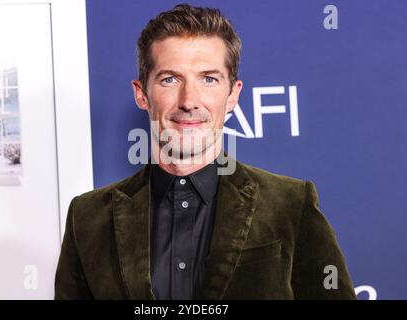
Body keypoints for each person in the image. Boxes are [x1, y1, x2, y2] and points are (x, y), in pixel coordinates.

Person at [55, 3, 356, 300]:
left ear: (233, 95)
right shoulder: (89, 218)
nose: (189, 100)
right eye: (170, 79)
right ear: (141, 94)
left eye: (208, 79)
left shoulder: (291, 206)